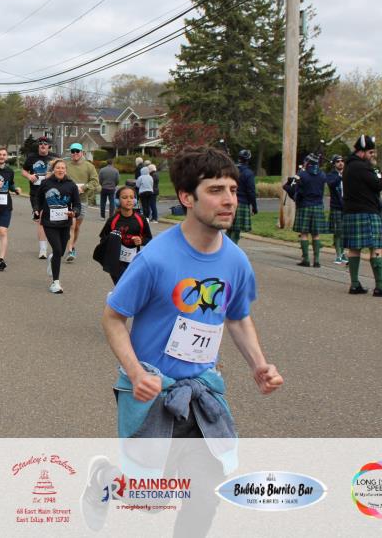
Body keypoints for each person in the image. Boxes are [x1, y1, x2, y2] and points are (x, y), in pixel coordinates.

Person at [85, 145, 283, 534]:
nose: (229, 200)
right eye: (215, 190)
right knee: (150, 501)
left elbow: (237, 317)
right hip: (151, 391)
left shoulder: (236, 261)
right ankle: (104, 480)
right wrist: (136, 372)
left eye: (233, 190)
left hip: (201, 392)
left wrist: (259, 365)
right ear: (186, 198)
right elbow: (114, 317)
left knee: (204, 493)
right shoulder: (155, 258)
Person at [342, 134, 382, 297]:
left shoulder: (349, 166)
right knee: (376, 247)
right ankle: (379, 286)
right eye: (370, 152)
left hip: (351, 212)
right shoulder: (361, 167)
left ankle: (355, 285)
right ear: (361, 151)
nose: (373, 155)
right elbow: (378, 185)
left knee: (354, 248)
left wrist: (379, 172)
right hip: (367, 212)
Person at [36, 159, 81, 293]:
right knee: (57, 249)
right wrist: (36, 210)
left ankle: (52, 259)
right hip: (49, 222)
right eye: (58, 168)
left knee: (60, 252)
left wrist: (74, 212)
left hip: (65, 223)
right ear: (53, 170)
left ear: (65, 170)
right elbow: (38, 199)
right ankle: (55, 282)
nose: (60, 170)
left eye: (63, 168)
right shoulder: (46, 183)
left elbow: (77, 204)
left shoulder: (71, 185)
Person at [98, 185, 152, 285]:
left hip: (134, 262)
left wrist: (141, 240)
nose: (129, 200)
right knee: (122, 286)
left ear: (135, 200)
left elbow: (149, 239)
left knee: (130, 288)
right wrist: (112, 241)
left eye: (132, 197)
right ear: (117, 201)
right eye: (124, 197)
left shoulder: (141, 219)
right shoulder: (113, 220)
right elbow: (103, 239)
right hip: (116, 262)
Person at [283, 153, 329, 268]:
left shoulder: (302, 175)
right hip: (318, 205)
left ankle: (306, 259)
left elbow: (297, 191)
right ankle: (317, 261)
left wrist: (291, 183)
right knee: (316, 234)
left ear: (308, 163)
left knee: (304, 234)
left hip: (304, 205)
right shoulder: (322, 175)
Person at [22, 137, 59, 259]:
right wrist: (29, 176)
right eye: (41, 143)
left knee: (52, 220)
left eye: (45, 144)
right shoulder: (31, 157)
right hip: (36, 193)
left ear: (49, 146)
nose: (43, 145)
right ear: (38, 146)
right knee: (40, 221)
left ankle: (56, 245)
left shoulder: (55, 158)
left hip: (50, 193)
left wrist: (52, 175)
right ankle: (43, 249)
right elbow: (24, 171)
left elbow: (62, 171)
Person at [64, 143, 99, 262]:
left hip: (82, 200)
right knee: (70, 225)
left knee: (76, 226)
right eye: (72, 151)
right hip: (67, 200)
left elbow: (95, 181)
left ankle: (72, 246)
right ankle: (69, 249)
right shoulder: (66, 165)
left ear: (82, 152)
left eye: (77, 151)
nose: (75, 153)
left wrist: (83, 188)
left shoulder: (89, 166)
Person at [227, 149, 257, 244]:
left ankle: (223, 249)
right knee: (236, 232)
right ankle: (231, 251)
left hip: (230, 201)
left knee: (229, 229)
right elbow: (251, 192)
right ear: (248, 159)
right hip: (242, 202)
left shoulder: (231, 171)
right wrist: (254, 207)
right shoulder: (248, 173)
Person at [326, 155, 347, 264]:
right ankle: (338, 254)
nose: (340, 163)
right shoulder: (331, 175)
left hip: (347, 207)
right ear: (334, 164)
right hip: (336, 207)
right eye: (338, 161)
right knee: (338, 231)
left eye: (342, 161)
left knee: (345, 232)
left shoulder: (348, 174)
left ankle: (343, 253)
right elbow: (332, 184)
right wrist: (340, 176)